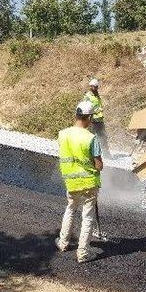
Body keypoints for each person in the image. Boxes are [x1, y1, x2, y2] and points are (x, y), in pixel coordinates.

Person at [55, 101, 104, 263]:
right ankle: (82, 254)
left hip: (71, 182)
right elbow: (99, 165)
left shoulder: (63, 134)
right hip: (89, 183)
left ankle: (63, 243)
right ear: (88, 117)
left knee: (70, 210)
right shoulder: (91, 139)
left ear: (76, 115)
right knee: (87, 217)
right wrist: (96, 166)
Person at [84, 78, 111, 156]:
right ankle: (87, 153)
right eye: (94, 86)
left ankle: (107, 154)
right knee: (90, 138)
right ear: (90, 86)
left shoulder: (97, 95)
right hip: (92, 120)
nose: (95, 88)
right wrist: (95, 110)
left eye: (96, 87)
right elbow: (86, 108)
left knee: (103, 136)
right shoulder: (88, 96)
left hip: (99, 119)